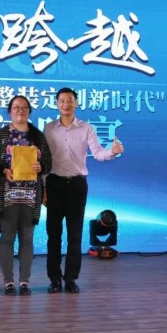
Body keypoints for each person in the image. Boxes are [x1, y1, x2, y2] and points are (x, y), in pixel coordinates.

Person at [43, 87, 124, 294]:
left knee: (75, 234)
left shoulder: (86, 128)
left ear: (76, 103)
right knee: (53, 234)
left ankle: (71, 278)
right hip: (54, 184)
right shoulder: (49, 129)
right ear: (57, 103)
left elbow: (98, 153)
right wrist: (43, 188)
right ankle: (54, 279)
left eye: (70, 100)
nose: (66, 104)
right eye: (62, 101)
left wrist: (112, 152)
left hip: (77, 186)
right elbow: (44, 160)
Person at [0, 95, 51, 296]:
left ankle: (24, 281)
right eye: (16, 107)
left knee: (27, 238)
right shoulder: (1, 136)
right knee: (7, 237)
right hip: (7, 194)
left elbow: (48, 163)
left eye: (24, 107)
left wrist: (41, 167)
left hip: (31, 195)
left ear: (29, 111)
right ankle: (8, 282)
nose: (20, 111)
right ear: (9, 111)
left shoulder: (38, 136)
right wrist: (4, 169)